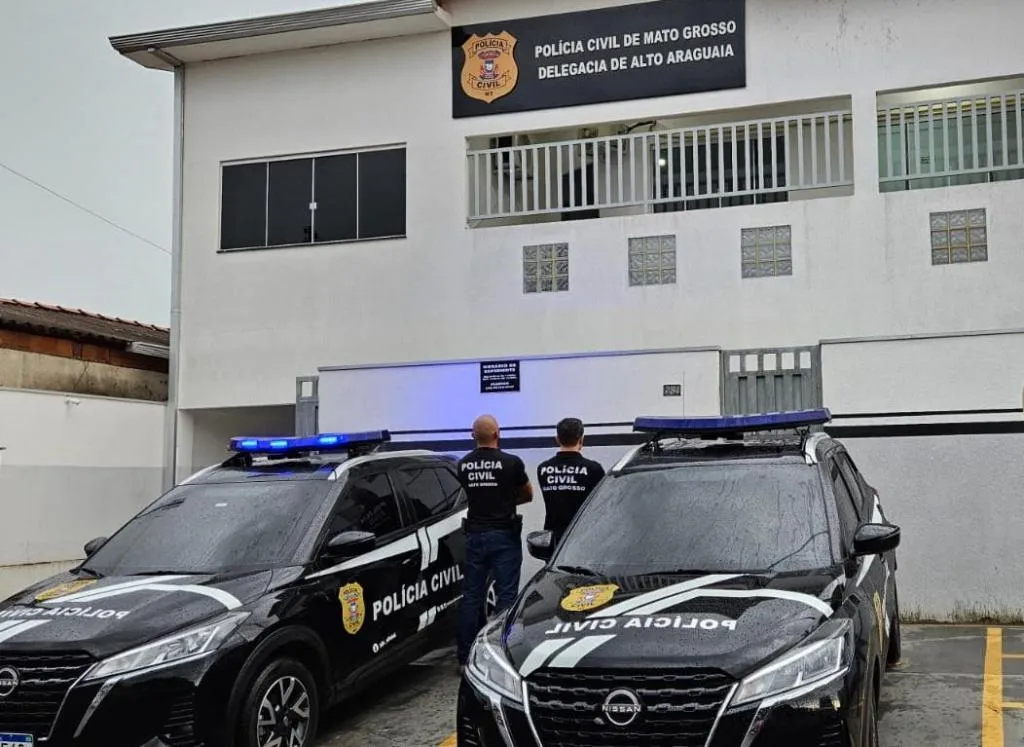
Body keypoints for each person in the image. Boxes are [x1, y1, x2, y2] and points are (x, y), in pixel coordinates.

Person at [456, 414, 532, 668]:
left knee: (471, 597)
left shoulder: (463, 465)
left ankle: (465, 656)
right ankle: (500, 656)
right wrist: (507, 502)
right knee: (507, 595)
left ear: (473, 435)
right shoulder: (512, 463)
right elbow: (528, 494)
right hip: (504, 535)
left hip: (475, 535)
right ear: (498, 434)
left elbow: (469, 497)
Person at [537, 418, 606, 546]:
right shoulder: (593, 469)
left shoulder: (543, 469)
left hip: (554, 538)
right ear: (581, 439)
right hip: (583, 535)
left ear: (557, 439)